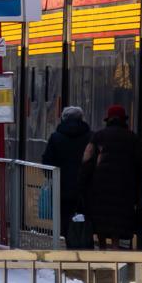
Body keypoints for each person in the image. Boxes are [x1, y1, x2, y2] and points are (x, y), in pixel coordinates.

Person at [81, 104, 142, 250]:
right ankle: (115, 251)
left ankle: (102, 249)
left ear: (108, 120)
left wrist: (85, 182)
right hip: (124, 190)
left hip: (99, 189)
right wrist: (134, 179)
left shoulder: (98, 136)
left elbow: (87, 161)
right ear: (123, 120)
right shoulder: (132, 138)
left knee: (101, 221)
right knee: (117, 224)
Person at [41, 105, 93, 248]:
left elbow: (47, 162)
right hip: (85, 189)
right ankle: (84, 249)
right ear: (81, 118)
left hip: (62, 189)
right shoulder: (90, 137)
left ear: (63, 119)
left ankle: (70, 247)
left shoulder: (56, 137)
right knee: (85, 220)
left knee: (65, 222)